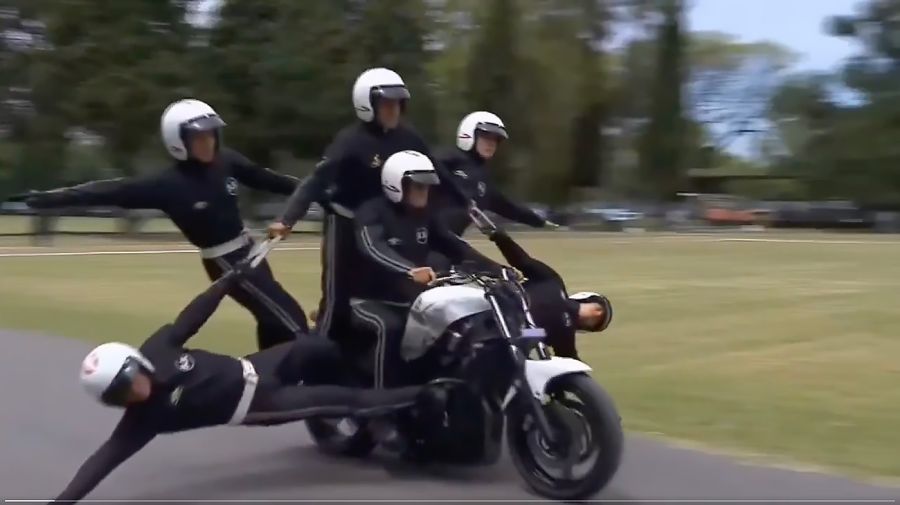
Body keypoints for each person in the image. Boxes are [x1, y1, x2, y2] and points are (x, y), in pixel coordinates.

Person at [50, 265, 431, 504]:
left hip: (257, 365)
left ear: (137, 363)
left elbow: (192, 315)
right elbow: (101, 461)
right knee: (344, 400)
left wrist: (228, 281)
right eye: (120, 393)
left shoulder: (158, 349)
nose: (133, 391)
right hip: (263, 402)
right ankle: (427, 395)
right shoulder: (143, 420)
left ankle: (382, 392)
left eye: (129, 379)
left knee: (319, 346)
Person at [9, 99, 309, 350]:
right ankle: (308, 375)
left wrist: (315, 189)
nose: (207, 142)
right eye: (198, 137)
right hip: (224, 261)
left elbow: (269, 180)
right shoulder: (166, 185)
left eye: (211, 135)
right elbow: (107, 191)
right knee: (291, 317)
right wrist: (47, 199)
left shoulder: (227, 161)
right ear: (178, 142)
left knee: (269, 315)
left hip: (249, 249)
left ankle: (270, 379)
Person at [267, 67, 468, 340]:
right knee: (338, 294)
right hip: (346, 222)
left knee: (386, 291)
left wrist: (464, 200)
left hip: (384, 223)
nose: (393, 110)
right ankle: (320, 350)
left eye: (398, 103)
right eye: (386, 104)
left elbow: (437, 171)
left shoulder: (408, 137)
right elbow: (316, 180)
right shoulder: (350, 142)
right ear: (366, 105)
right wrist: (287, 219)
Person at [350, 150, 502, 389]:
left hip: (412, 300)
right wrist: (409, 270)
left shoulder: (425, 216)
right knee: (390, 328)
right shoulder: (372, 212)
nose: (424, 192)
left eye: (427, 187)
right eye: (418, 186)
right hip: (369, 301)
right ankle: (381, 405)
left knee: (455, 326)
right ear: (396, 184)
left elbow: (454, 245)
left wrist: (498, 269)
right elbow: (372, 247)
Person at [471, 214, 613, 360]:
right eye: (598, 310)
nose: (595, 315)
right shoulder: (552, 283)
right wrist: (497, 235)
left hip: (495, 331)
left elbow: (526, 334)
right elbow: (522, 261)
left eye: (596, 321)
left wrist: (498, 236)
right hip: (488, 306)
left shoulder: (563, 334)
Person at [434, 111, 556, 238]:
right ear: (469, 134)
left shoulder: (484, 183)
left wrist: (540, 222)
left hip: (447, 245)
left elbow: (510, 208)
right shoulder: (449, 158)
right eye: (486, 136)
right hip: (423, 240)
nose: (491, 143)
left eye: (496, 139)